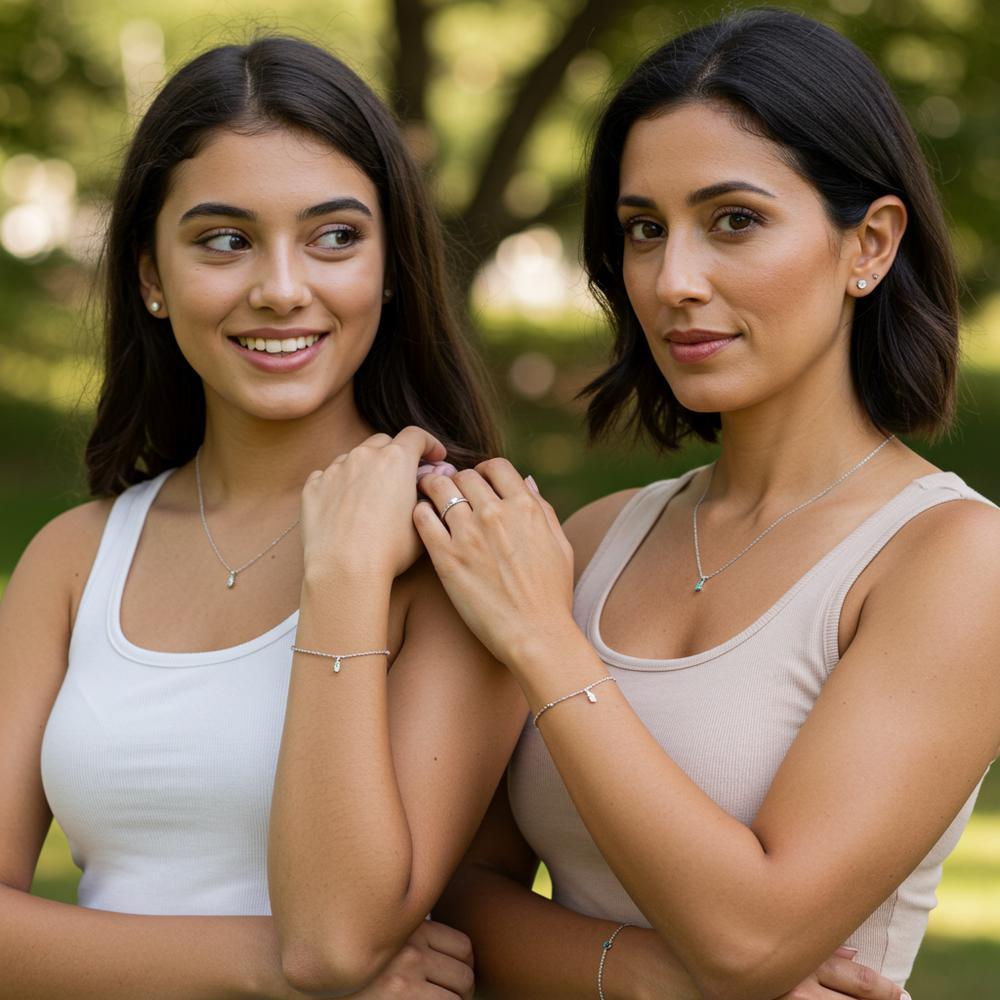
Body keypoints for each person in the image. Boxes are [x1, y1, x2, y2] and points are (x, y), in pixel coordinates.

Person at [415, 8, 1000, 999]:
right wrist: (647, 975)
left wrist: (543, 642)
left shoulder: (952, 558)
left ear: (869, 243)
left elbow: (751, 936)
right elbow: (453, 897)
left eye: (734, 220)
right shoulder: (594, 540)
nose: (672, 280)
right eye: (644, 230)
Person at [0, 36, 527, 998]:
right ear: (151, 276)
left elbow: (338, 939)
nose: (282, 288)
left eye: (335, 237)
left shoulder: (464, 546)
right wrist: (259, 967)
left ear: (391, 266)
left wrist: (344, 576)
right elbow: (317, 968)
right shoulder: (73, 558)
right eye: (224, 240)